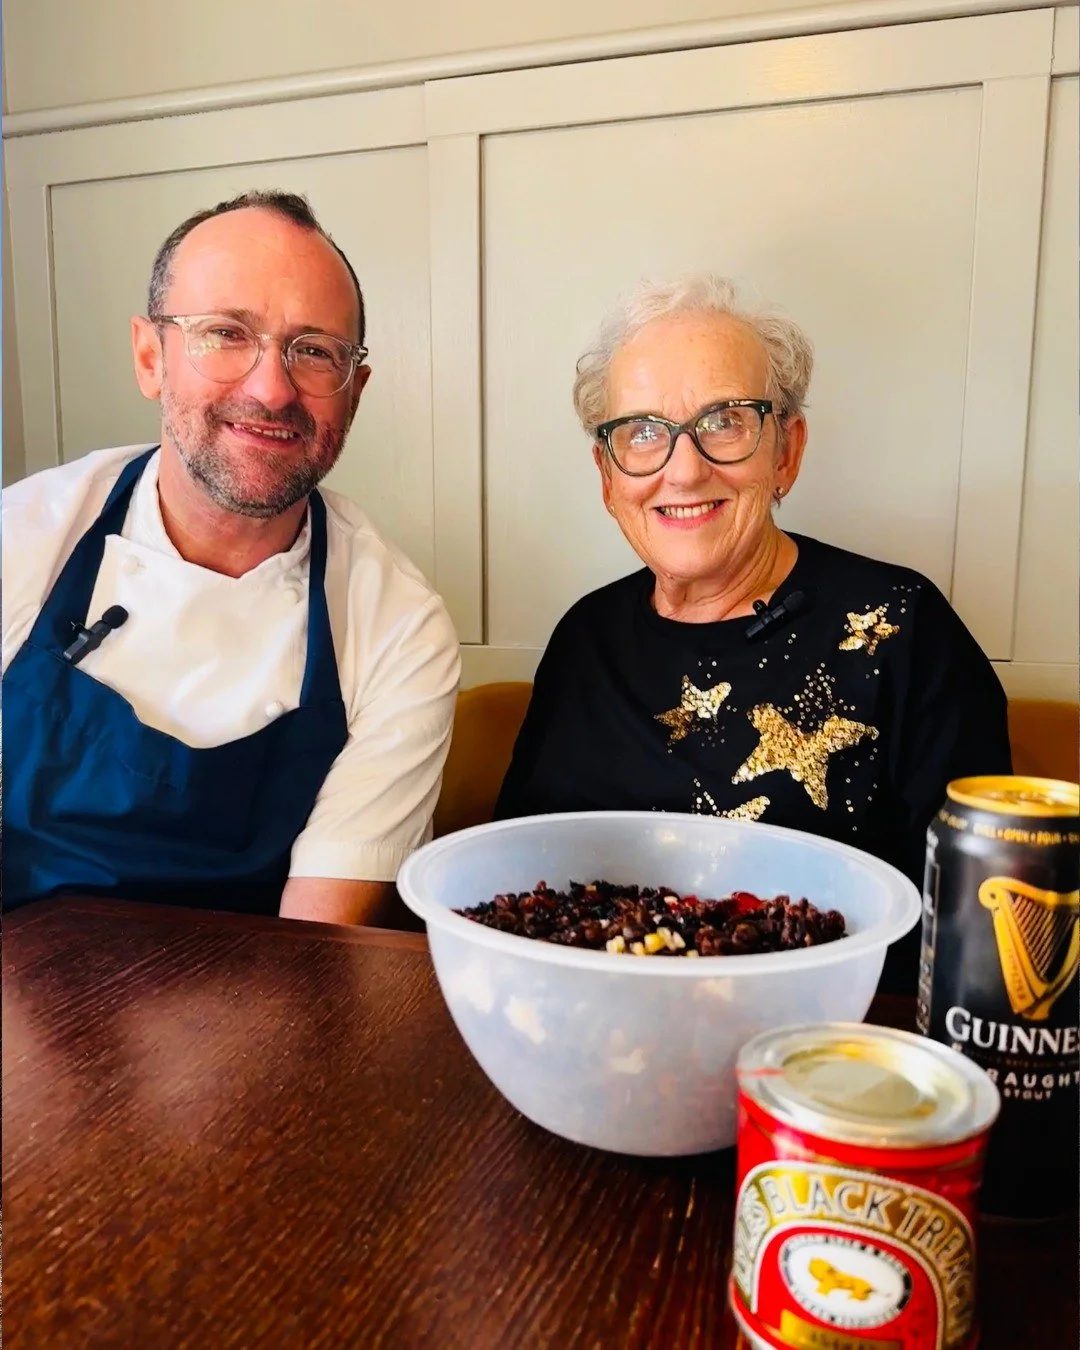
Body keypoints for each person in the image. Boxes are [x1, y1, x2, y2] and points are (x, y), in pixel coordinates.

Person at [494, 275, 1011, 990]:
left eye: (724, 421)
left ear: (786, 452)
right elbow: (515, 888)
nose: (683, 469)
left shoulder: (902, 627)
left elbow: (976, 931)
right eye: (641, 432)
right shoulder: (584, 640)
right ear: (608, 476)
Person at [3, 190, 460, 926]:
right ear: (150, 358)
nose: (271, 389)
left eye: (315, 351)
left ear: (355, 391)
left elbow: (317, 936)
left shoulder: (400, 627)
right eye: (225, 334)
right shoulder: (20, 542)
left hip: (274, 986)